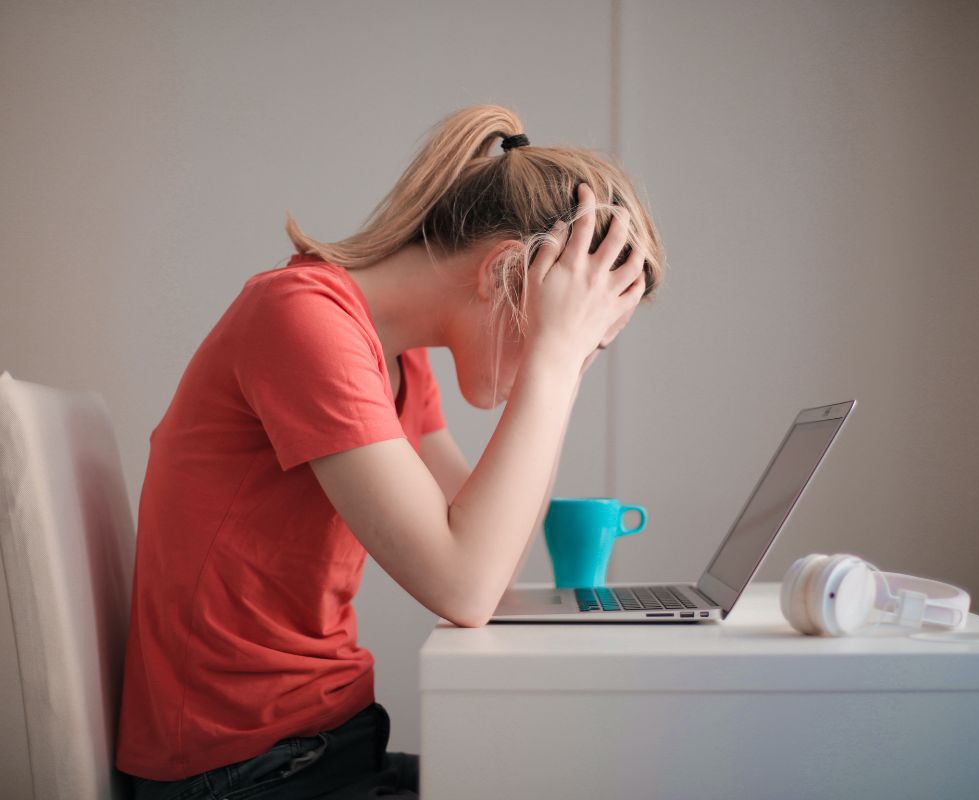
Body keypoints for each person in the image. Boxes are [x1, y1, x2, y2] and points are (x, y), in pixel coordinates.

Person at [116, 104, 665, 799]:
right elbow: (464, 586)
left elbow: (491, 565)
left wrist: (557, 363)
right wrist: (551, 366)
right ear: (502, 273)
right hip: (241, 773)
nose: (574, 353)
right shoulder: (301, 320)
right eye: (579, 329)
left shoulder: (397, 363)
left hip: (321, 747)